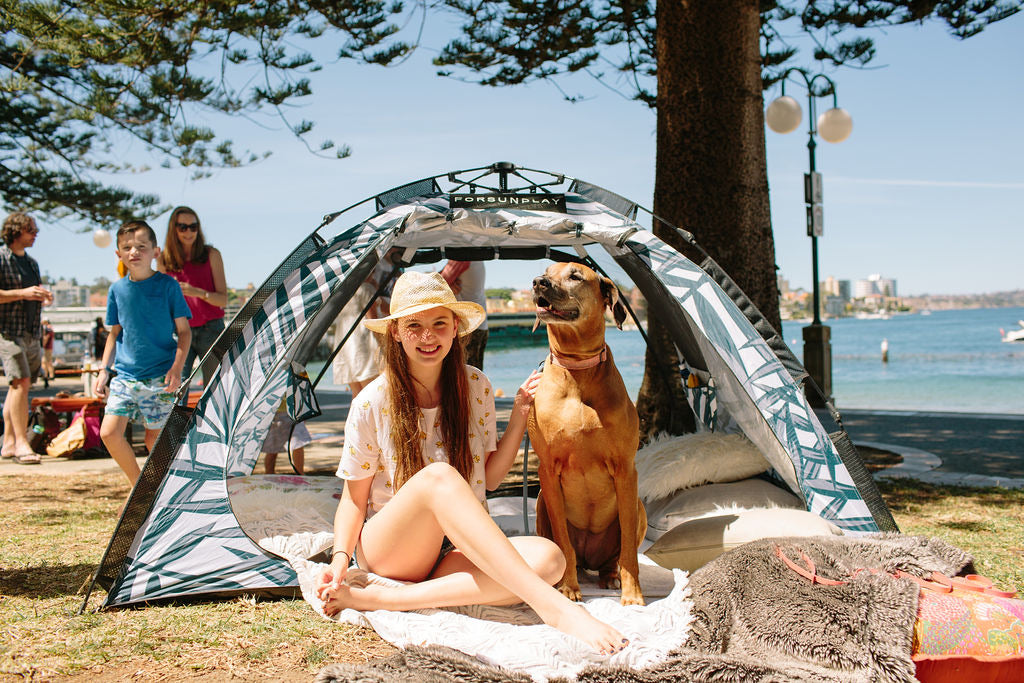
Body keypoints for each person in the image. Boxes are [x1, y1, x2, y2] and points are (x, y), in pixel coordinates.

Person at [316, 271, 628, 655]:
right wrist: (340, 559)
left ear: (456, 329)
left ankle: (381, 600)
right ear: (395, 332)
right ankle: (556, 610)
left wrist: (518, 417)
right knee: (440, 478)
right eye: (414, 325)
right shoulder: (371, 401)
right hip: (393, 549)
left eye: (439, 324)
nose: (428, 336)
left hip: (452, 553)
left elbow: (491, 479)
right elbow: (353, 500)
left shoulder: (475, 387)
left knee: (552, 560)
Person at [94, 220, 191, 485]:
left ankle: (162, 490)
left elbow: (184, 332)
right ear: (119, 254)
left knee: (153, 439)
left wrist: (176, 368)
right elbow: (114, 334)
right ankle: (139, 487)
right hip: (125, 376)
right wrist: (104, 370)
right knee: (110, 433)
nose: (134, 252)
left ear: (155, 252)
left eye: (141, 246)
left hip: (161, 376)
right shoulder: (116, 290)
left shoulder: (168, 286)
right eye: (127, 247)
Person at [0, 212, 53, 465]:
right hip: (8, 331)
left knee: (19, 386)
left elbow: (33, 293)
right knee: (20, 382)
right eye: (31, 229)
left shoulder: (32, 263)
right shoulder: (1, 258)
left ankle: (8, 440)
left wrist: (43, 296)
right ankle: (22, 442)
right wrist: (22, 293)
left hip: (32, 332)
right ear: (16, 231)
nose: (36, 233)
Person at [157, 206, 227, 388]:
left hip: (211, 330)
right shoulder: (165, 260)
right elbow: (162, 303)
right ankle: (180, 419)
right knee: (175, 388)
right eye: (183, 227)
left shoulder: (212, 254)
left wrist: (198, 292)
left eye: (193, 227)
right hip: (179, 331)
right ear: (174, 229)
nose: (189, 232)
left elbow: (223, 300)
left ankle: (212, 418)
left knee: (215, 390)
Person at [330, 258, 397, 398]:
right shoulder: (367, 289)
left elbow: (383, 307)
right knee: (373, 395)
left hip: (345, 347)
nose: (373, 275)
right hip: (364, 346)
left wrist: (376, 289)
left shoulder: (343, 293)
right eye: (372, 272)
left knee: (357, 396)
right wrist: (386, 344)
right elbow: (375, 318)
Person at [441, 260, 488, 369]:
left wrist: (447, 286)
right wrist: (448, 286)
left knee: (463, 374)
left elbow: (434, 285)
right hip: (479, 325)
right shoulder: (475, 256)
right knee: (474, 375)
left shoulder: (461, 256)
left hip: (467, 328)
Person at [262, 401, 312, 474]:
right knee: (272, 448)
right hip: (275, 412)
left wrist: (303, 412)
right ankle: (269, 474)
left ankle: (300, 474)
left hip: (294, 410)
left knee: (298, 443)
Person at [40, 318, 55, 388]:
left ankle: (46, 375)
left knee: (45, 362)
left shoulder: (48, 328)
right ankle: (50, 375)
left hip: (47, 347)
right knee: (48, 362)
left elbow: (46, 338)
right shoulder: (50, 328)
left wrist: (43, 345)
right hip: (49, 347)